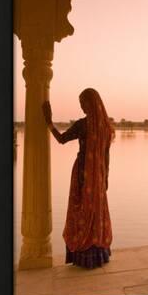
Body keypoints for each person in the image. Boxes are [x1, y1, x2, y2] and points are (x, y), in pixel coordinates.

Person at [42, 88, 114, 269]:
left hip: (83, 174)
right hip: (98, 176)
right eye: (80, 103)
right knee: (95, 213)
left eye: (83, 103)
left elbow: (62, 139)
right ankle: (98, 255)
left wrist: (49, 122)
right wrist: (105, 178)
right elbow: (106, 156)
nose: (81, 107)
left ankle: (83, 255)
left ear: (90, 103)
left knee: (80, 212)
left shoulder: (83, 125)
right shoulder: (106, 126)